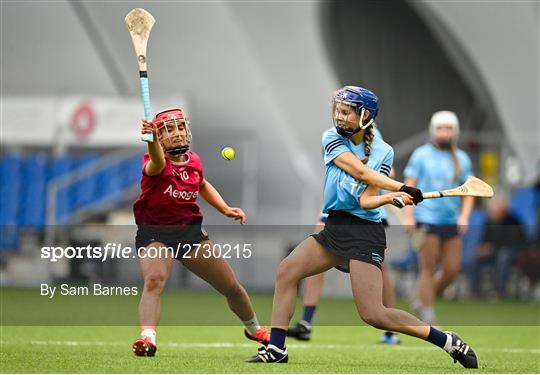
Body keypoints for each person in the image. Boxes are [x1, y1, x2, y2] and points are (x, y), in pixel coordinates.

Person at [245, 87, 478, 368]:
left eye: (346, 112)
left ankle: (448, 341)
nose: (339, 117)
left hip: (364, 233)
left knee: (374, 314)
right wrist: (400, 188)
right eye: (337, 111)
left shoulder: (383, 151)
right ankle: (276, 348)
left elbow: (367, 200)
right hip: (335, 226)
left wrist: (389, 197)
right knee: (287, 270)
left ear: (365, 115)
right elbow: (359, 171)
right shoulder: (330, 138)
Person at [131, 108, 269, 356]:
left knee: (232, 288)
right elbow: (158, 161)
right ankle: (147, 338)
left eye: (180, 127)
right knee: (154, 280)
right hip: (155, 234)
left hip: (189, 233)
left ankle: (254, 329)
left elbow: (202, 184)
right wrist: (151, 141)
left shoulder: (194, 161)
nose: (176, 133)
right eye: (168, 130)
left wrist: (225, 208)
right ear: (159, 138)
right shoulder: (154, 163)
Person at [288, 155, 401, 345]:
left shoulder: (374, 139)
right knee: (307, 262)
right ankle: (306, 322)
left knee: (381, 270)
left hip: (367, 214)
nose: (342, 122)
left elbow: (390, 171)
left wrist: (372, 176)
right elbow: (335, 175)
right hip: (336, 211)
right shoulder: (336, 138)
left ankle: (391, 331)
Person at [403, 111, 475, 325]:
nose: (445, 133)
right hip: (426, 219)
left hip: (450, 221)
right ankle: (428, 316)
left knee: (452, 271)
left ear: (456, 132)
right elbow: (409, 186)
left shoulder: (462, 158)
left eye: (449, 128)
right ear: (433, 131)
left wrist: (464, 216)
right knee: (428, 268)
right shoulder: (421, 155)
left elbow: (468, 190)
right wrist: (409, 217)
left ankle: (421, 299)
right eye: (441, 128)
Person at [470, 199, 527, 298]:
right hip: (495, 251)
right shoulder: (489, 221)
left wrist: (492, 248)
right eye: (491, 213)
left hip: (515, 251)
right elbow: (486, 239)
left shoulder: (513, 221)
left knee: (503, 256)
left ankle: (500, 291)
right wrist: (483, 248)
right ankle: (475, 291)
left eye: (494, 213)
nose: (492, 215)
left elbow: (513, 241)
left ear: (502, 211)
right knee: (476, 257)